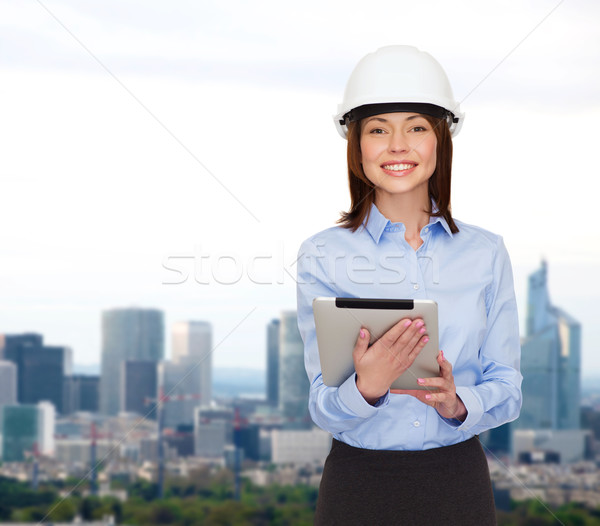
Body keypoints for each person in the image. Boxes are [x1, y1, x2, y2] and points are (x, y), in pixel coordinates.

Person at [296, 45, 522, 525]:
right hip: (357, 488)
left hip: (456, 485)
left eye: (416, 127)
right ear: (357, 146)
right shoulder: (323, 254)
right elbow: (322, 404)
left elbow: (508, 386)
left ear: (441, 139)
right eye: (378, 130)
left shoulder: (485, 253)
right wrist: (366, 388)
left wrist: (459, 403)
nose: (398, 145)